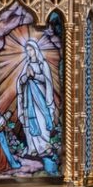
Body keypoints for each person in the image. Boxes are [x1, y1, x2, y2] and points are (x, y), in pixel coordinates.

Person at [16, 39, 58, 173]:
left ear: (35, 50)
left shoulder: (42, 64)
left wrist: (34, 76)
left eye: (31, 49)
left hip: (41, 98)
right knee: (30, 121)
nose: (29, 52)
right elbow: (20, 81)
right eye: (27, 50)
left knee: (41, 121)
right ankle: (33, 148)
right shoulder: (27, 64)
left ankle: (44, 146)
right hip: (29, 99)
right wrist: (25, 77)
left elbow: (47, 81)